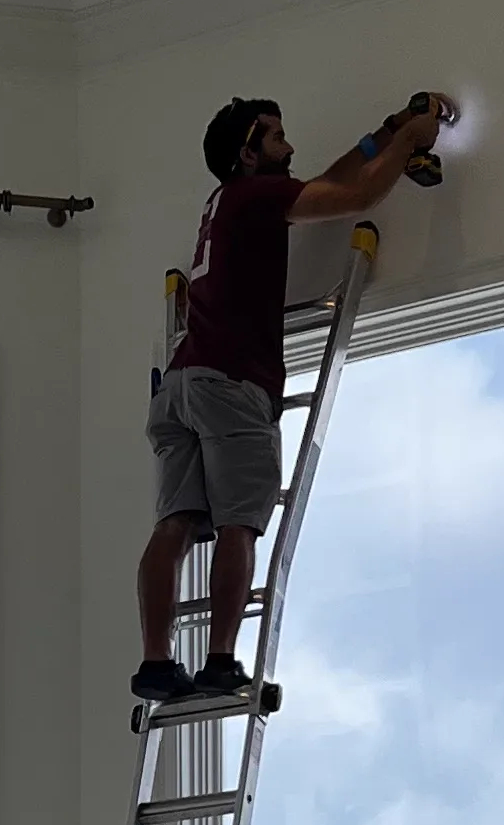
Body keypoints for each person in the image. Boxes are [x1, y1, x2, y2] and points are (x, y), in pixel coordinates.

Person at [135, 89, 457, 706]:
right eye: (276, 135)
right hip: (231, 383)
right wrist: (413, 142)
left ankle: (154, 663)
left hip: (181, 384)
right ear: (248, 151)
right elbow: (356, 197)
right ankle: (222, 661)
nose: (290, 144)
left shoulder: (229, 198)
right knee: (239, 524)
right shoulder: (257, 196)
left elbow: (328, 179)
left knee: (172, 523)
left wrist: (385, 131)